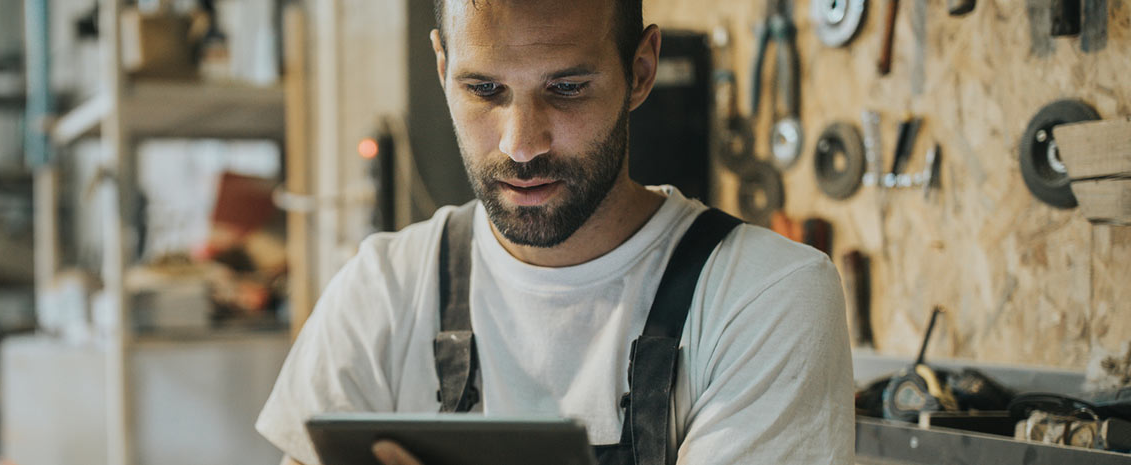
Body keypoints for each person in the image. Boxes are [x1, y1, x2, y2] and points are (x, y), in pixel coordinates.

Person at [254, 0, 854, 464]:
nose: (521, 144)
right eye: (483, 89)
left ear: (640, 71)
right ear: (442, 68)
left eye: (565, 89)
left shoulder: (764, 297)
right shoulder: (383, 289)